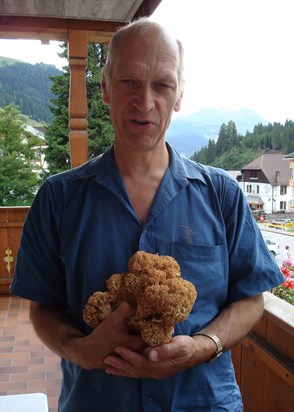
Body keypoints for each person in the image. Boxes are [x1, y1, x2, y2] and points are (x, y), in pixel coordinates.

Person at [11, 18, 284, 412]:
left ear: (179, 96)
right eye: (129, 82)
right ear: (105, 87)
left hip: (203, 401)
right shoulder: (58, 198)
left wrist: (204, 346)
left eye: (162, 85)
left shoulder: (222, 195)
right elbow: (43, 308)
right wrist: (82, 350)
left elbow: (251, 298)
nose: (145, 101)